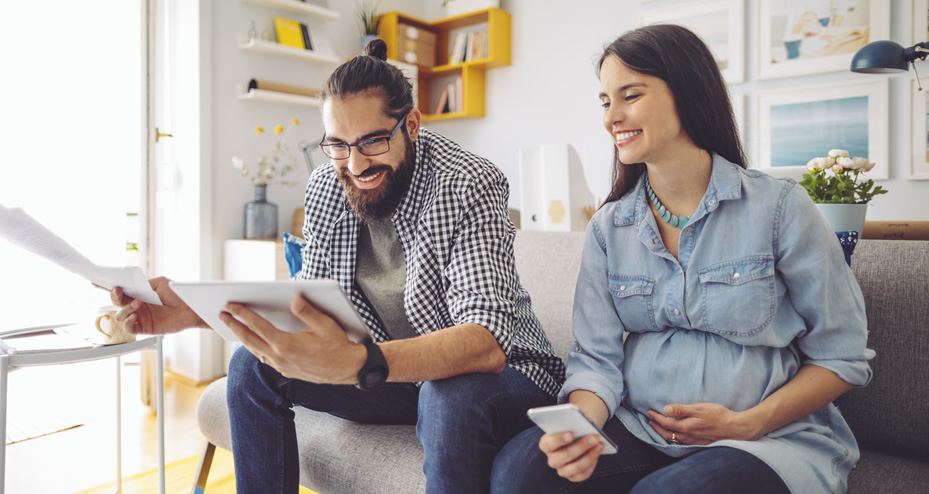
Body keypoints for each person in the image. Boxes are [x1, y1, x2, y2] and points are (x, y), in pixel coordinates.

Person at [110, 39, 565, 494]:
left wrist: (359, 362)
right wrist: (193, 310)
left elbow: (484, 342)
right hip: (391, 375)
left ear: (412, 124)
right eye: (338, 146)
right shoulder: (328, 185)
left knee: (448, 394)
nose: (356, 163)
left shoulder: (467, 182)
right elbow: (305, 309)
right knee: (252, 366)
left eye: (373, 141)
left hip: (503, 375)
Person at [490, 24, 873, 494]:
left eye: (630, 95)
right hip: (640, 430)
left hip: (768, 439)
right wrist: (581, 427)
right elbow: (596, 361)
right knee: (518, 470)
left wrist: (747, 423)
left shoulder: (779, 208)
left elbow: (842, 356)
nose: (613, 116)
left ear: (687, 93)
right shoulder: (609, 228)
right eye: (606, 101)